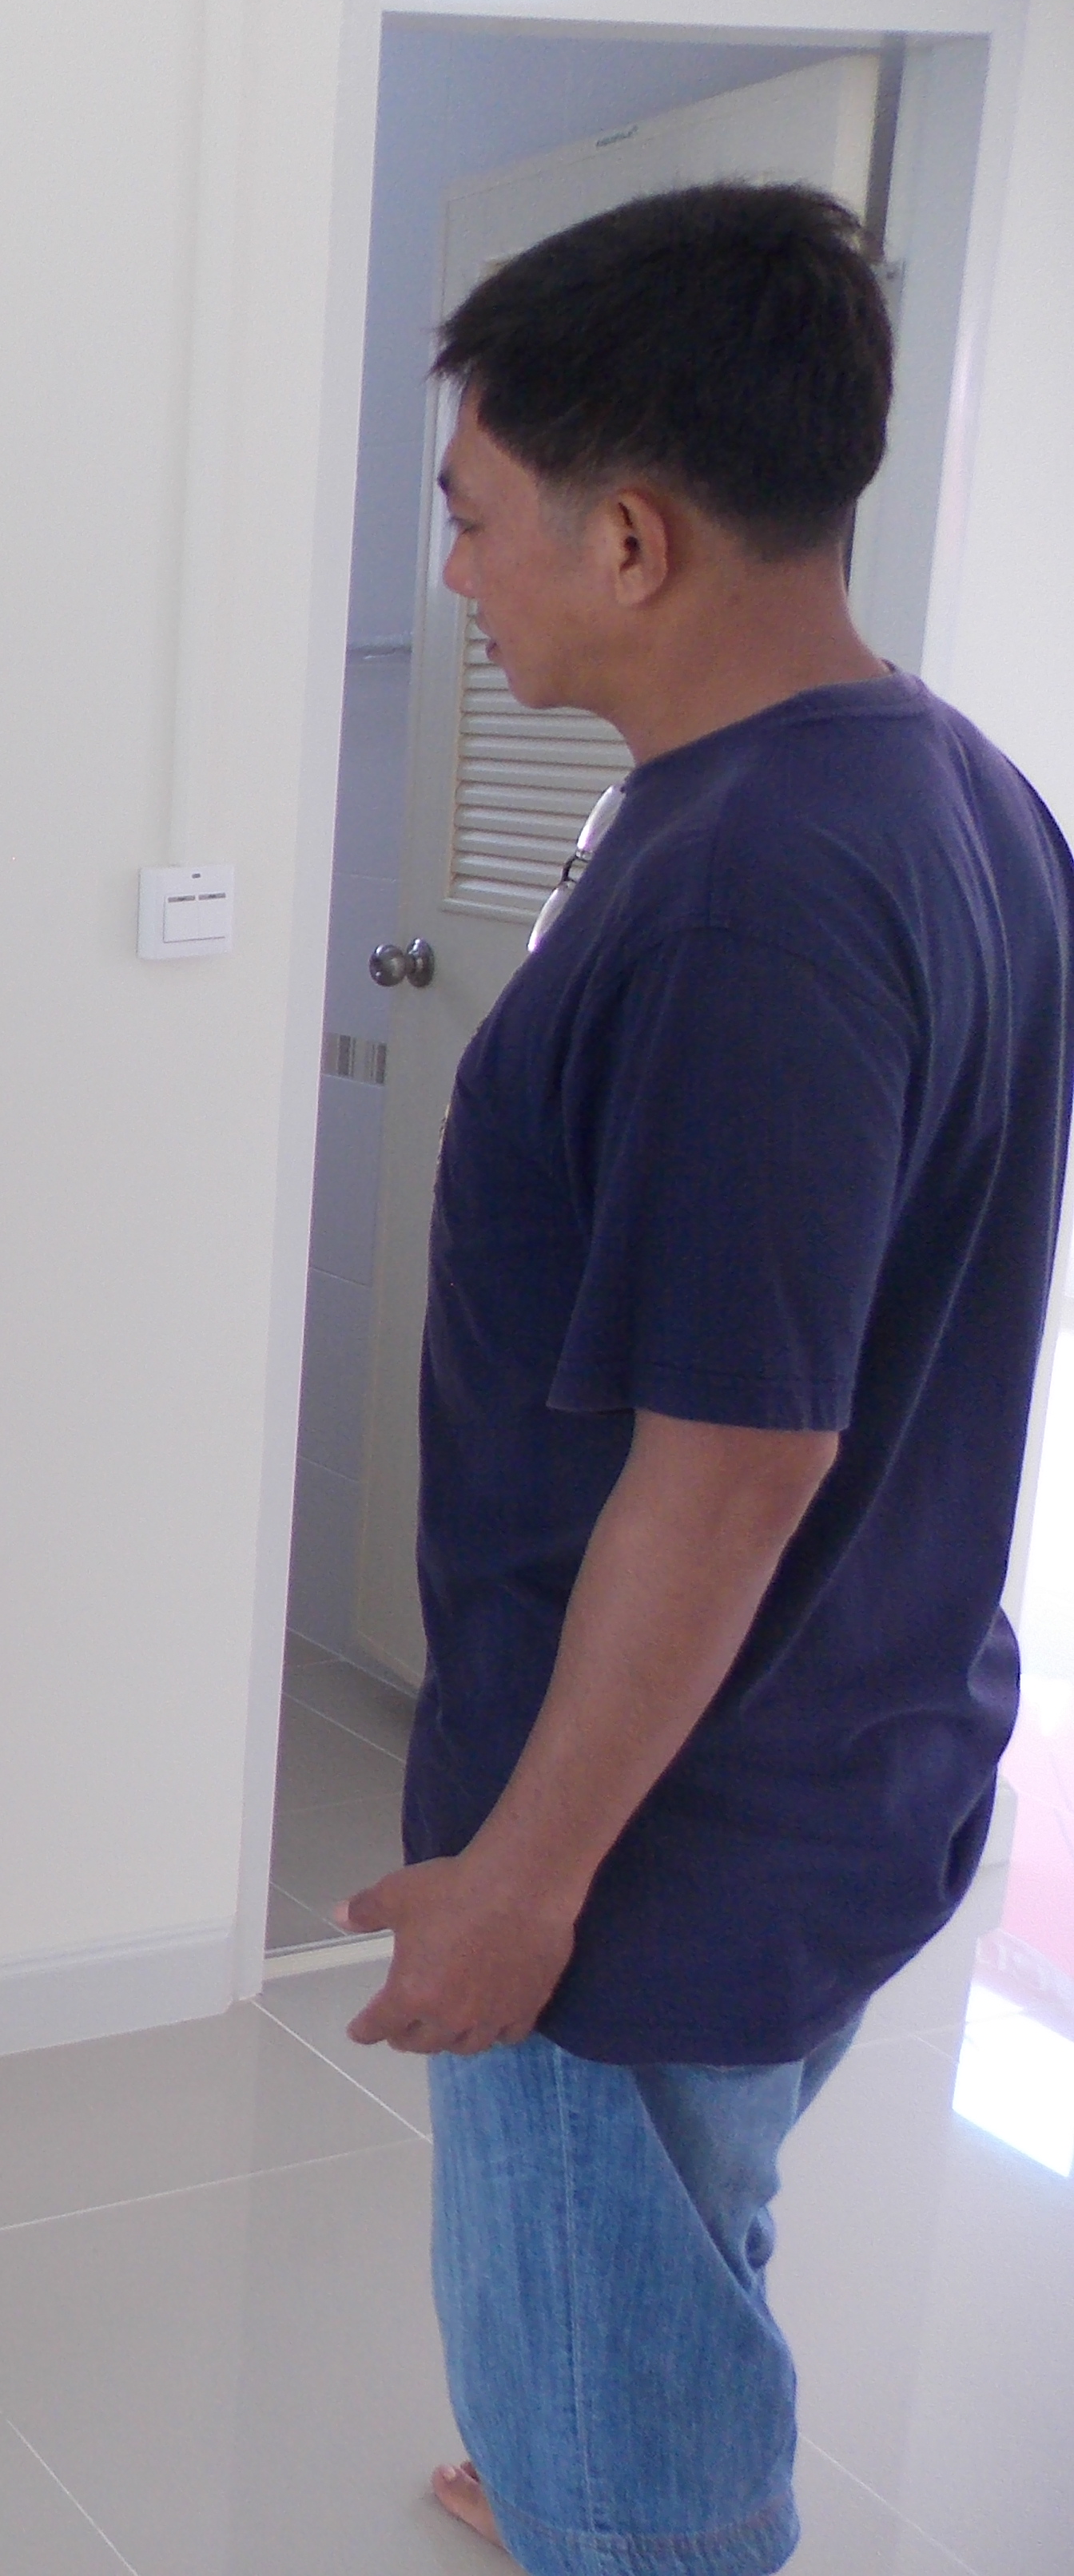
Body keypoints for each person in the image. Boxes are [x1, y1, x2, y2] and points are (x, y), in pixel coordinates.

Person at [337, 181, 1068, 2575]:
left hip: (657, 1842)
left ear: (632, 536)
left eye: (475, 516)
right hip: (842, 1750)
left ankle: (618, 2488)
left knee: (624, 2444)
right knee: (681, 2231)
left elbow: (735, 1459)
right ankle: (615, 2423)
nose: (459, 574)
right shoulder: (950, 790)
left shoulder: (759, 894)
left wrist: (522, 1883)